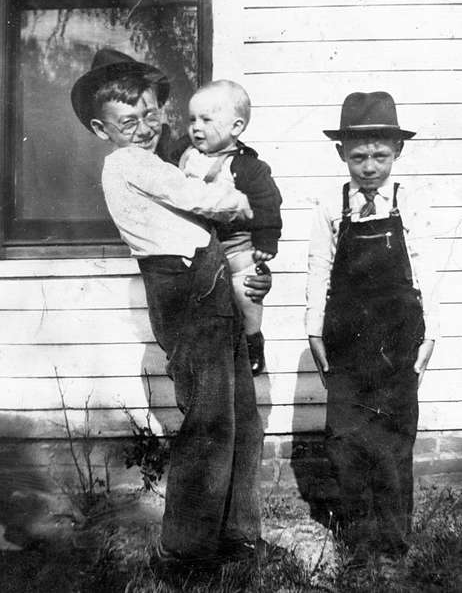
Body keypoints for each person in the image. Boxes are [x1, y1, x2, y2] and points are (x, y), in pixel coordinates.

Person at [70, 48, 275, 566]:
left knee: (240, 415)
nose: (142, 127)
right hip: (183, 290)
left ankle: (237, 535)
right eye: (126, 120)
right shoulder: (127, 163)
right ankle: (186, 552)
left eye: (149, 114)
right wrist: (240, 201)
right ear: (101, 129)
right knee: (209, 419)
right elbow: (204, 198)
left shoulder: (157, 159)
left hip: (206, 284)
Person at [306, 92, 438, 562]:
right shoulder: (330, 205)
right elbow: (319, 267)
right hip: (345, 337)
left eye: (380, 155)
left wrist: (432, 336)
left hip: (398, 338)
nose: (369, 167)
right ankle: (359, 541)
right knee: (346, 441)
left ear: (396, 152)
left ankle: (394, 541)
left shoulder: (410, 201)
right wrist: (313, 331)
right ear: (341, 152)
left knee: (393, 440)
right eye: (358, 156)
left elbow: (426, 270)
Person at [177, 80, 282, 375]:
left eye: (206, 120)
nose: (196, 127)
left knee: (246, 284)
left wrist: (266, 242)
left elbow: (268, 203)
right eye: (192, 119)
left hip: (236, 242)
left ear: (236, 128)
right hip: (197, 242)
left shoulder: (246, 166)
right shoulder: (186, 158)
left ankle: (252, 338)